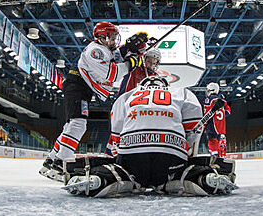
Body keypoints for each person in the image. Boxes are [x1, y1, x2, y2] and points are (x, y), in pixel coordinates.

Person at [63, 76, 237, 197]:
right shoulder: (181, 92)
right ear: (164, 85)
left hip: (132, 156)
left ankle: (102, 178)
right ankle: (202, 178)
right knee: (175, 174)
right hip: (170, 157)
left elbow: (116, 136)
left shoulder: (127, 96)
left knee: (127, 174)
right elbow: (192, 132)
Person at [40, 22, 149, 180]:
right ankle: (59, 165)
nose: (114, 41)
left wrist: (130, 47)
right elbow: (111, 74)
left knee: (71, 126)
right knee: (78, 125)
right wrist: (130, 63)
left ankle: (51, 161)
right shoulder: (95, 51)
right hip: (77, 85)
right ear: (102, 37)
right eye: (111, 37)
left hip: (80, 87)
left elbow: (117, 55)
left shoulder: (104, 49)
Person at [103, 47, 163, 157]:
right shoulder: (134, 68)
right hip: (124, 105)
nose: (151, 65)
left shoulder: (156, 78)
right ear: (144, 60)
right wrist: (138, 50)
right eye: (148, 61)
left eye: (153, 63)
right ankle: (110, 154)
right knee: (117, 130)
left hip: (140, 110)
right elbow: (126, 58)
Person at [203, 83, 231, 157]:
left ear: (211, 90)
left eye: (208, 90)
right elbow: (228, 112)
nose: (207, 92)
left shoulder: (209, 99)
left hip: (212, 125)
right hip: (221, 127)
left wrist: (204, 125)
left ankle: (215, 156)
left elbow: (207, 113)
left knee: (212, 141)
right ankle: (220, 156)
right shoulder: (223, 101)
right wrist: (221, 114)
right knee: (218, 142)